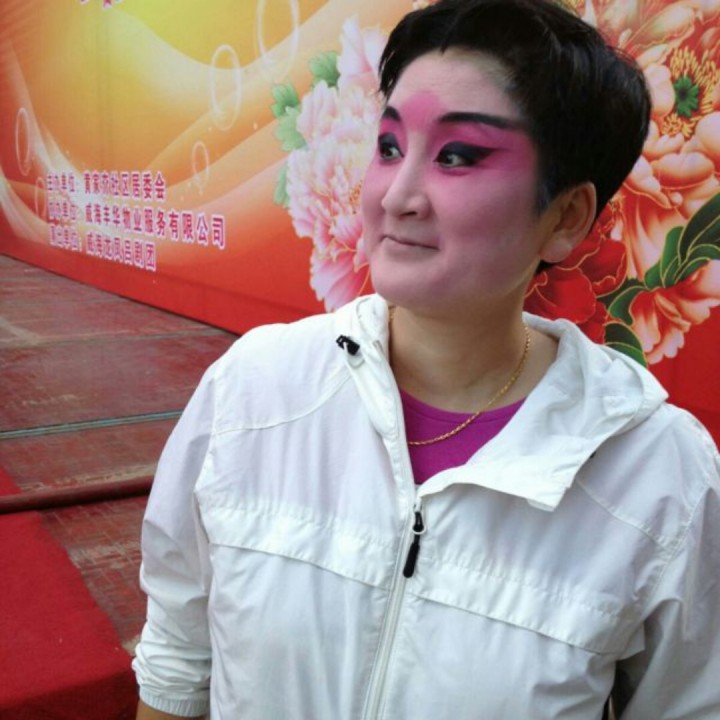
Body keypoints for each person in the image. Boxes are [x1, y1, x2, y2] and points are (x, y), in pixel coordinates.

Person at [133, 0, 720, 717]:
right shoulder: (254, 390)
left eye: (457, 156)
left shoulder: (657, 476)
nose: (397, 196)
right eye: (388, 147)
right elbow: (178, 659)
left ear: (566, 217)